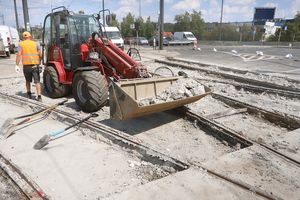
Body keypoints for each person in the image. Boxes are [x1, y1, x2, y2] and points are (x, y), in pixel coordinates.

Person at [15, 31, 42, 101]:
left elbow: (18, 55)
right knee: (37, 81)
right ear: (30, 37)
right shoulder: (36, 43)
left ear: (23, 37)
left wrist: (17, 65)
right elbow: (40, 54)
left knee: (27, 81)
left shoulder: (21, 44)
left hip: (26, 67)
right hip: (35, 66)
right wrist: (39, 62)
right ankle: (39, 97)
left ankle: (29, 94)